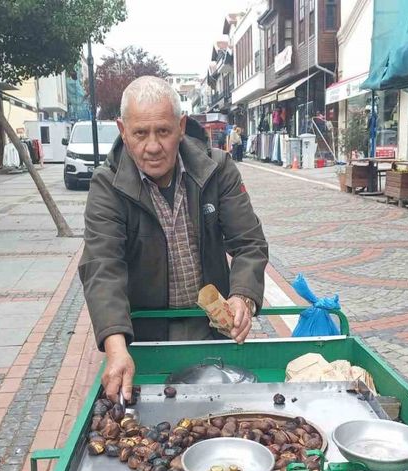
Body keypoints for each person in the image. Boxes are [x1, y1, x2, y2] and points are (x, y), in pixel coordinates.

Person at [80, 76, 268, 402]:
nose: (153, 146)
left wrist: (243, 297)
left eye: (163, 132)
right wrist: (116, 346)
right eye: (140, 133)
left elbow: (249, 242)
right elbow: (102, 265)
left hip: (211, 331)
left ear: (181, 126)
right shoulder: (107, 185)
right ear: (122, 130)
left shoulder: (217, 169)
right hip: (145, 337)